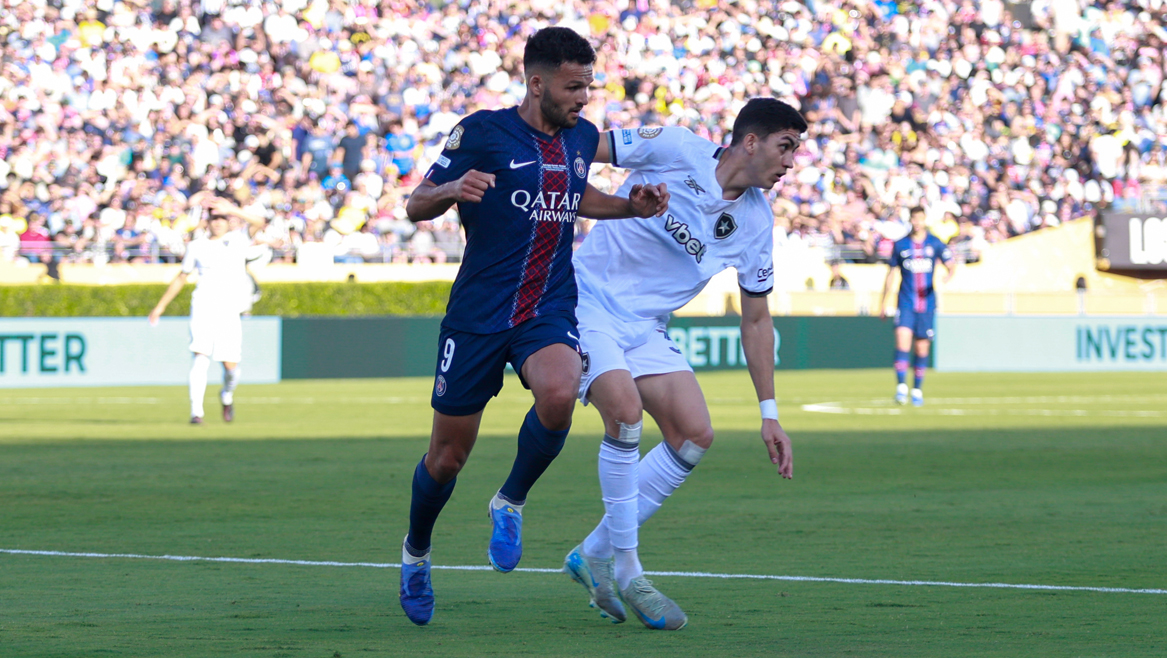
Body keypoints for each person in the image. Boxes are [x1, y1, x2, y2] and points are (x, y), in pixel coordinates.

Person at [397, 26, 669, 627]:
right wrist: (452, 188)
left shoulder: (582, 137)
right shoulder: (482, 132)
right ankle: (416, 553)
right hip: (478, 313)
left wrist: (628, 206)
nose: (583, 98)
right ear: (537, 83)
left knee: (559, 392)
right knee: (447, 458)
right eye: (573, 87)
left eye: (588, 86)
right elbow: (415, 203)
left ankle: (510, 500)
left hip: (547, 305)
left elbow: (576, 195)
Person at [562, 98, 802, 631]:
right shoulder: (673, 147)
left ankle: (592, 553)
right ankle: (628, 571)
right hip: (586, 301)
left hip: (646, 326)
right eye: (785, 147)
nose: (790, 162)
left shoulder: (756, 222)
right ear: (750, 142)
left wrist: (769, 413)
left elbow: (756, 320)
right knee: (624, 413)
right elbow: (582, 144)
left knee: (694, 434)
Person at [149, 195, 266, 424]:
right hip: (203, 306)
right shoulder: (197, 246)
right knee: (200, 356)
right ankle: (197, 413)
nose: (218, 222)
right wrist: (160, 306)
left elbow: (259, 222)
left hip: (229, 309)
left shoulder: (238, 239)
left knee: (230, 366)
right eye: (214, 218)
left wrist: (233, 209)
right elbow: (181, 277)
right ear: (208, 221)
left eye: (222, 218)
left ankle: (227, 395)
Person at [879, 206, 955, 406]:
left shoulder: (934, 243)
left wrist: (949, 274)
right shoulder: (901, 245)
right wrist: (883, 302)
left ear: (925, 220)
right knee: (902, 342)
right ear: (910, 220)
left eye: (920, 218)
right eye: (914, 218)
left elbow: (951, 263)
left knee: (922, 349)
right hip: (905, 303)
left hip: (927, 305)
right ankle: (901, 388)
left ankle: (917, 390)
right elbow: (891, 274)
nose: (917, 222)